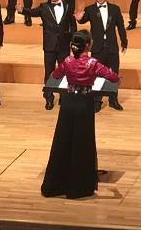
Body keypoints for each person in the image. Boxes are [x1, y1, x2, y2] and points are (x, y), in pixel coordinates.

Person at [41, 31, 120, 200]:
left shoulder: (67, 61)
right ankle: (79, 187)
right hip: (84, 104)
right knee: (82, 141)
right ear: (88, 45)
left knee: (64, 139)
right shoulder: (93, 63)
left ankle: (57, 184)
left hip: (68, 103)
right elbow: (113, 77)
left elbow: (55, 75)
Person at [23, 0, 77, 110]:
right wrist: (22, 10)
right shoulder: (44, 7)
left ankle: (63, 97)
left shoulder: (68, 6)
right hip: (49, 46)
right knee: (49, 73)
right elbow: (32, 12)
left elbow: (73, 25)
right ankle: (49, 98)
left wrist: (74, 43)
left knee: (65, 72)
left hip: (64, 45)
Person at [77, 0, 127, 110]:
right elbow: (83, 19)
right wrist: (79, 18)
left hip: (112, 47)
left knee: (113, 74)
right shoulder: (90, 9)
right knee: (97, 75)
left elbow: (121, 26)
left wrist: (124, 41)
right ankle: (97, 101)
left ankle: (113, 100)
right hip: (97, 48)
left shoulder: (115, 9)